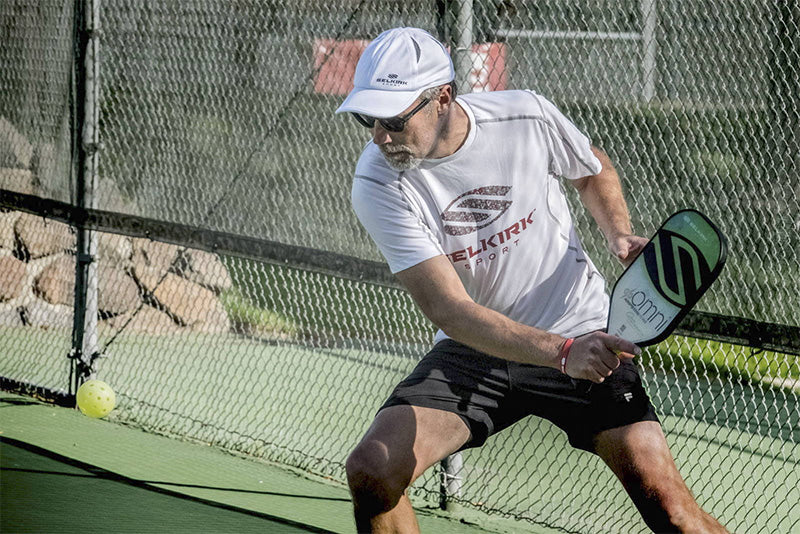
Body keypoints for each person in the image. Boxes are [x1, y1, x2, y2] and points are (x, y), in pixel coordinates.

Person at [336, 27, 727, 534]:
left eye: (392, 119)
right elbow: (450, 311)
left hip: (581, 325)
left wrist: (619, 233)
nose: (378, 136)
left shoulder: (525, 115)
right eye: (368, 118)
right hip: (479, 345)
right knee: (372, 470)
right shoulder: (377, 181)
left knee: (670, 508)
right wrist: (562, 353)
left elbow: (591, 168)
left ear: (442, 98)